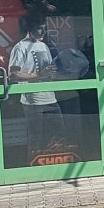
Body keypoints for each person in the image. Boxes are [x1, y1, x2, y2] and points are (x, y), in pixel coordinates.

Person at [9, 15, 62, 159]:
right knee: (35, 138)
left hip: (50, 97)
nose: (43, 32)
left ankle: (53, 162)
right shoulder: (20, 47)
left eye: (45, 29)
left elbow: (49, 69)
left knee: (58, 135)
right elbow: (13, 74)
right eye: (40, 28)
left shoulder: (44, 45)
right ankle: (33, 166)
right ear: (30, 29)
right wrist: (39, 75)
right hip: (33, 100)